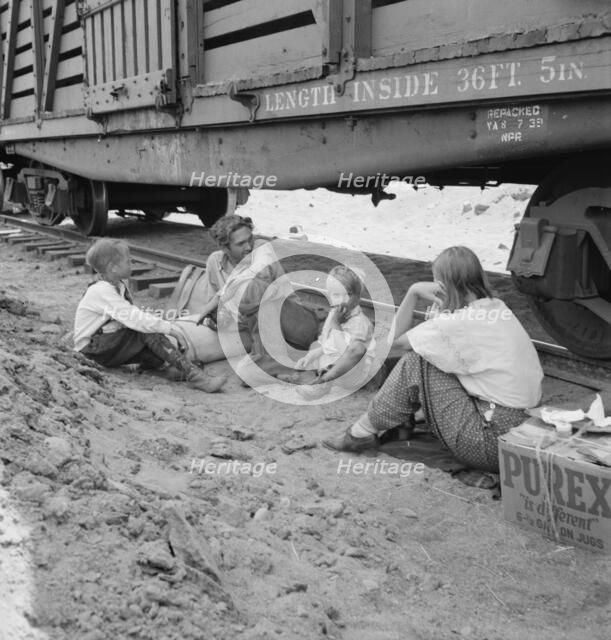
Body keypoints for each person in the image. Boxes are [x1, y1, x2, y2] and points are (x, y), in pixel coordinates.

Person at [323, 246, 544, 473]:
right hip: (520, 431)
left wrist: (413, 293)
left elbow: (391, 343)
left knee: (416, 362)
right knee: (432, 355)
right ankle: (397, 422)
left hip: (491, 442)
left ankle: (360, 434)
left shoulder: (456, 323)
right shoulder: (497, 307)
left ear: (444, 285)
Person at [74, 239, 225, 393]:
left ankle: (167, 368)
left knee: (154, 349)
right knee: (148, 333)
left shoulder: (117, 285)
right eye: (127, 261)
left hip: (105, 344)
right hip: (91, 350)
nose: (131, 262)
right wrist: (172, 330)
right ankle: (196, 376)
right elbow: (134, 318)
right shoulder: (101, 291)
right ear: (113, 268)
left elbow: (127, 320)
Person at [169, 215, 320, 370]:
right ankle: (265, 358)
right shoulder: (215, 261)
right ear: (224, 246)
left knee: (253, 287)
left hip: (295, 325)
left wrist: (217, 300)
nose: (248, 246)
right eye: (240, 244)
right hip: (251, 330)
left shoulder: (261, 248)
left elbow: (253, 275)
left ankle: (270, 358)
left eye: (250, 239)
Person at [278, 265, 375, 396]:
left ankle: (321, 385)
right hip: (335, 361)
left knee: (333, 359)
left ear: (357, 297)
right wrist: (311, 355)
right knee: (314, 348)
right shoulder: (335, 313)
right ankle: (304, 376)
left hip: (353, 371)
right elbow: (328, 344)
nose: (342, 300)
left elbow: (347, 355)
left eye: (348, 294)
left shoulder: (359, 322)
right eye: (336, 295)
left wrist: (336, 324)